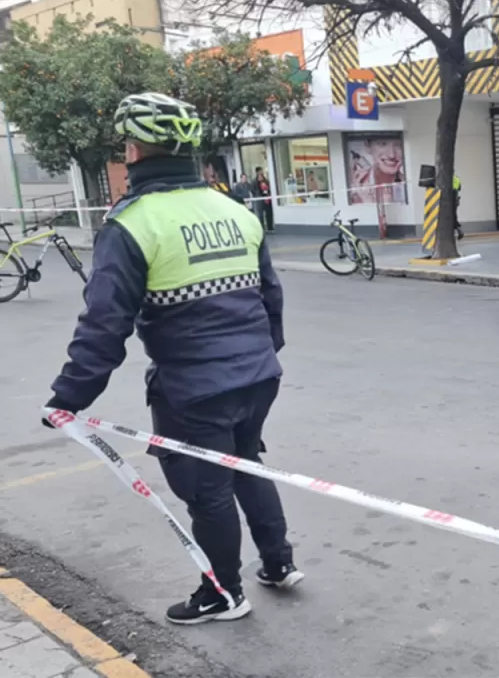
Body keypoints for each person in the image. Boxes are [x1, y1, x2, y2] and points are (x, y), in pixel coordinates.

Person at [42, 92, 303, 625]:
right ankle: (278, 564)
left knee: (207, 490)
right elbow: (270, 298)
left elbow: (104, 324)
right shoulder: (234, 211)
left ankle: (223, 594)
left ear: (133, 151)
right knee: (246, 462)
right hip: (257, 374)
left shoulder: (131, 224)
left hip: (194, 387)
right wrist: (260, 356)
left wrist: (69, 397)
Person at [253, 167, 274, 232]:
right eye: (260, 171)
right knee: (260, 215)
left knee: (269, 213)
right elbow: (253, 190)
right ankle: (262, 228)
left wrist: (268, 193)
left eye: (262, 171)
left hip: (267, 199)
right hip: (260, 200)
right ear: (257, 172)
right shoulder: (254, 181)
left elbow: (269, 188)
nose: (261, 172)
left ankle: (270, 227)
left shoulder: (265, 180)